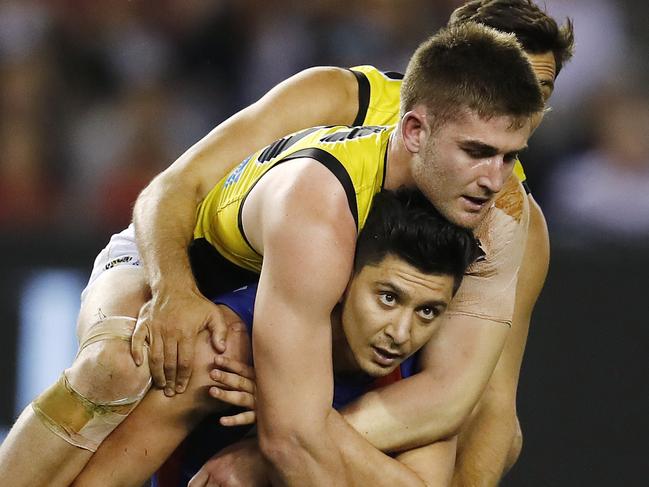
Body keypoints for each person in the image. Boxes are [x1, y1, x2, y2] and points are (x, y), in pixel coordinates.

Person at [0, 2, 571, 486]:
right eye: (497, 77)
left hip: (305, 303)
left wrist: (292, 434)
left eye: (530, 97)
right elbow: (171, 189)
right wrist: (175, 290)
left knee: (455, 433)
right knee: (131, 361)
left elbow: (476, 400)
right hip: (184, 261)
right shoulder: (335, 113)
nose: (499, 173)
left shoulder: (504, 209)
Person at [153, 187, 479, 486]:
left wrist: (288, 413)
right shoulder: (231, 336)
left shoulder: (424, 384)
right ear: (344, 280)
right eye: (388, 298)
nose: (400, 333)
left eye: (427, 312)